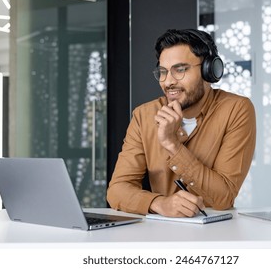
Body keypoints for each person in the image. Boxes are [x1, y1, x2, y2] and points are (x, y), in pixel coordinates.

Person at [107, 28, 256, 217]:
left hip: (215, 231)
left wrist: (172, 145)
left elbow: (223, 198)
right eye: (163, 72)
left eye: (180, 70)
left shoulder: (236, 109)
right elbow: (117, 190)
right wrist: (159, 203)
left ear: (209, 70)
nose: (168, 82)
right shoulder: (144, 115)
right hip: (161, 233)